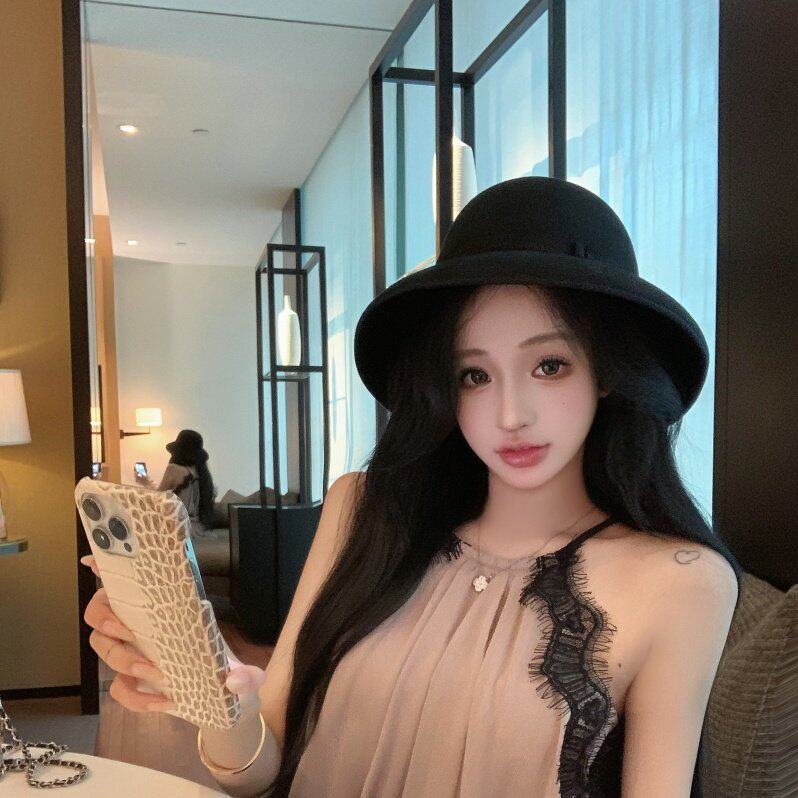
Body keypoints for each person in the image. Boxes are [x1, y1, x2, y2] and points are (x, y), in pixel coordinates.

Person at [81, 176, 741, 797]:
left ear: (608, 372)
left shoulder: (680, 582)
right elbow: (259, 774)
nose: (510, 415)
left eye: (549, 364)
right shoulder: (362, 510)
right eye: (473, 375)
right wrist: (221, 699)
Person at [136, 428, 217, 538]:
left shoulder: (174, 469)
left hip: (177, 527)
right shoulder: (203, 475)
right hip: (198, 528)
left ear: (178, 450)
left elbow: (158, 496)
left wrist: (145, 482)